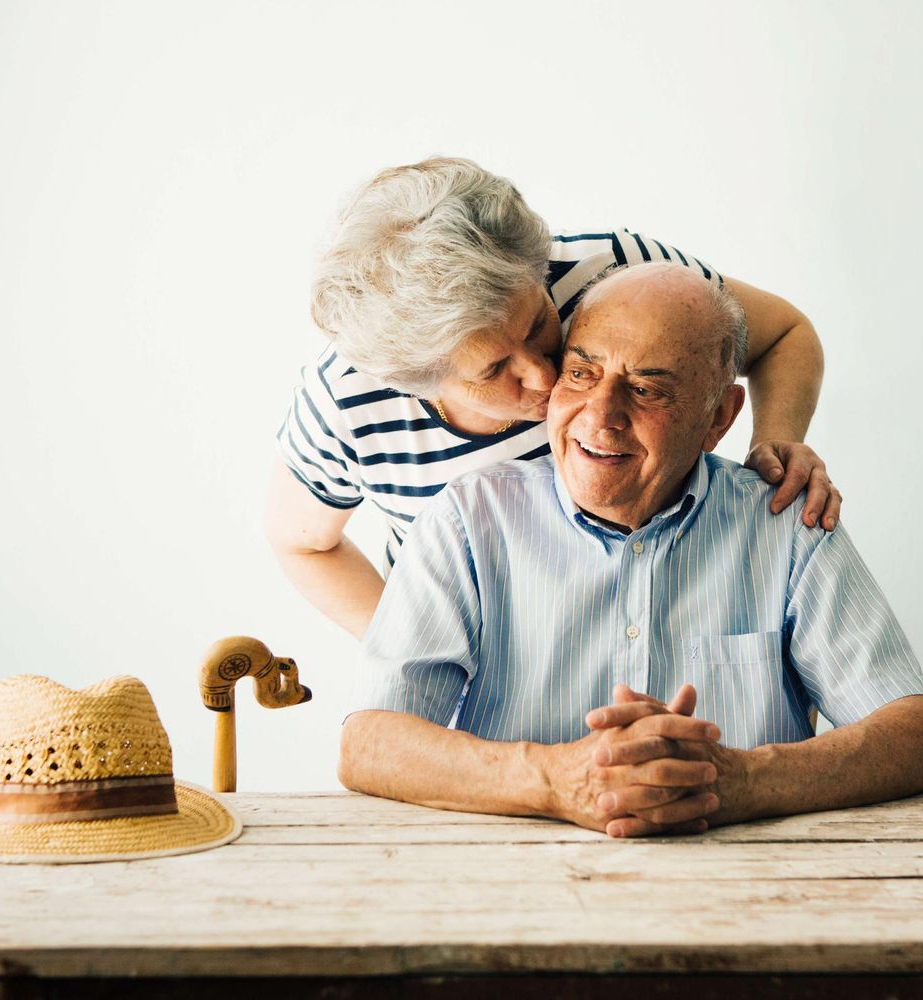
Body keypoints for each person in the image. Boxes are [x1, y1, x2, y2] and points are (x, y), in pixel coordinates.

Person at [337, 262, 923, 838]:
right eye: (582, 374)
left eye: (646, 389)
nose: (601, 417)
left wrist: (742, 780)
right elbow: (370, 744)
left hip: (751, 891)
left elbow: (910, 731)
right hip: (513, 892)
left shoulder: (785, 523)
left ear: (718, 417)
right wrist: (556, 780)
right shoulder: (468, 520)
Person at [266, 158, 841, 639]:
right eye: (495, 369)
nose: (545, 377)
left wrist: (777, 444)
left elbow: (783, 335)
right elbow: (304, 547)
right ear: (415, 381)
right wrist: (414, 646)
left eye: (539, 321)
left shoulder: (618, 276)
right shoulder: (347, 403)